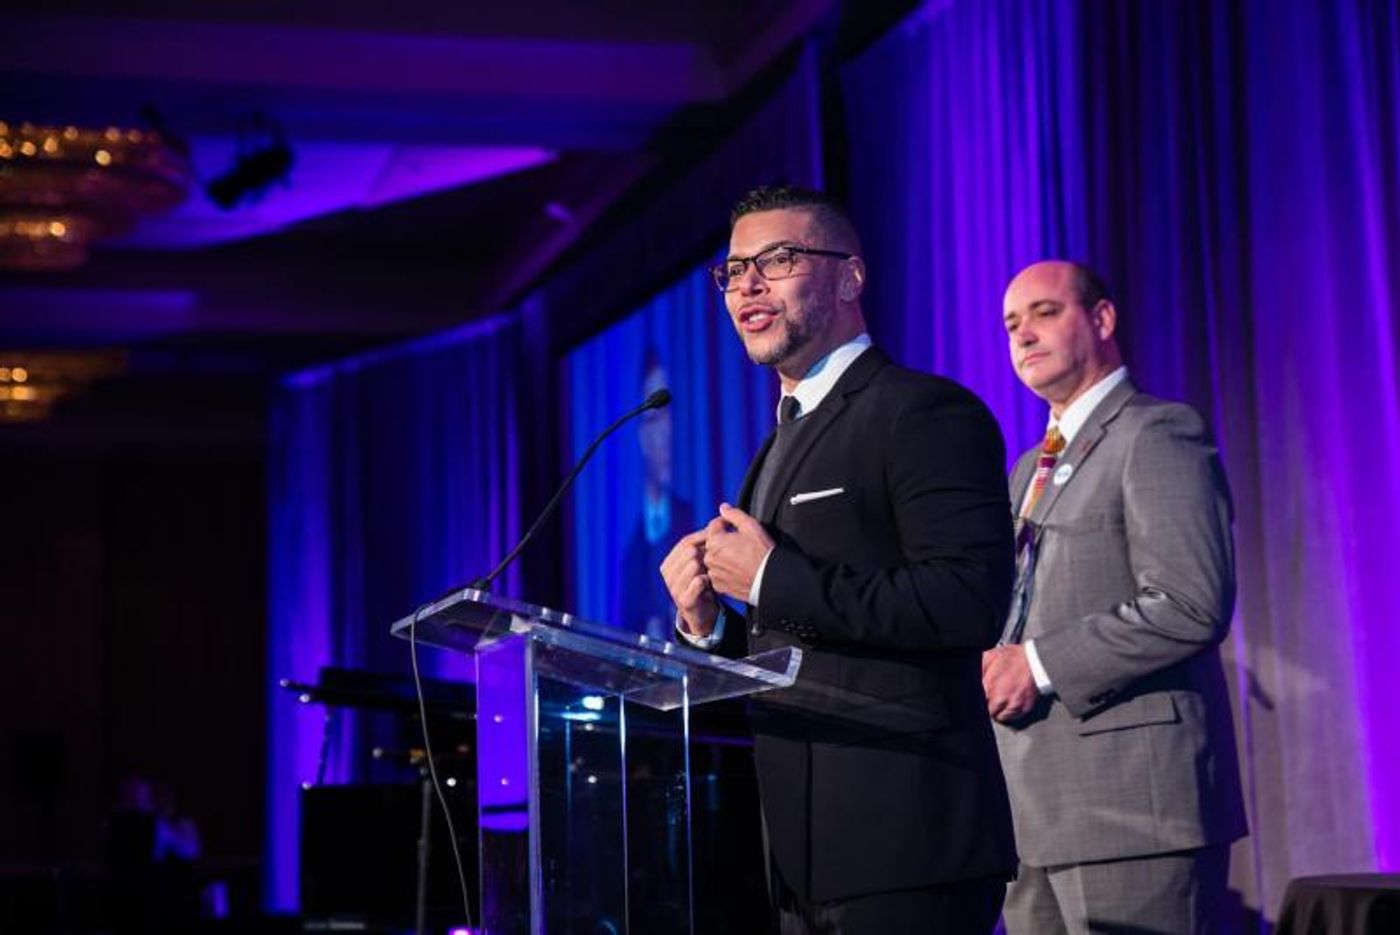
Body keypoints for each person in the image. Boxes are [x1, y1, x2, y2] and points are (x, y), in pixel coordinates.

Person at [660, 185, 1016, 934]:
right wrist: (707, 626)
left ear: (850, 277)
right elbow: (796, 650)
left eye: (778, 260)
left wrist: (767, 578)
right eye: (734, 270)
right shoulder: (776, 443)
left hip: (909, 845)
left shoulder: (923, 411)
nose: (748, 285)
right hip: (798, 859)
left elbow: (965, 600)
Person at [983, 260, 1247, 934]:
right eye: (1011, 324)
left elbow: (1190, 603)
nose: (1023, 335)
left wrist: (1037, 664)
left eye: (1045, 313)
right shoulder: (1028, 467)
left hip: (1133, 810)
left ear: (1101, 319)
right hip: (1031, 813)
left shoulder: (1156, 432)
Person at [618, 352, 696, 639]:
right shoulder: (631, 554)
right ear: (640, 436)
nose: (664, 433)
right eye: (655, 418)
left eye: (669, 417)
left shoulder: (698, 516)